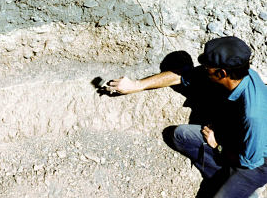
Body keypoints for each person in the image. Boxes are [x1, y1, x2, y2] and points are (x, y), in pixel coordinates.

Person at [107, 36, 267, 198]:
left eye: (207, 66)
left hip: (257, 162)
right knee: (180, 135)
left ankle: (242, 191)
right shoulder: (236, 74)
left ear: (222, 73)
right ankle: (227, 181)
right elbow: (181, 76)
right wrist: (136, 85)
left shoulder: (254, 114)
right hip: (236, 138)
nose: (204, 68)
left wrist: (217, 145)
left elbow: (249, 162)